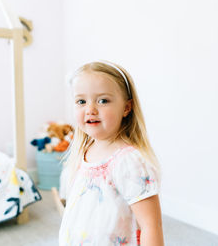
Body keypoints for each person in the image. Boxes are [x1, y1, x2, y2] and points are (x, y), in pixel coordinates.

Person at [59, 61, 164, 246]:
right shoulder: (85, 151)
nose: (90, 109)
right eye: (81, 101)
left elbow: (150, 226)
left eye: (103, 100)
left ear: (126, 108)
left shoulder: (129, 161)